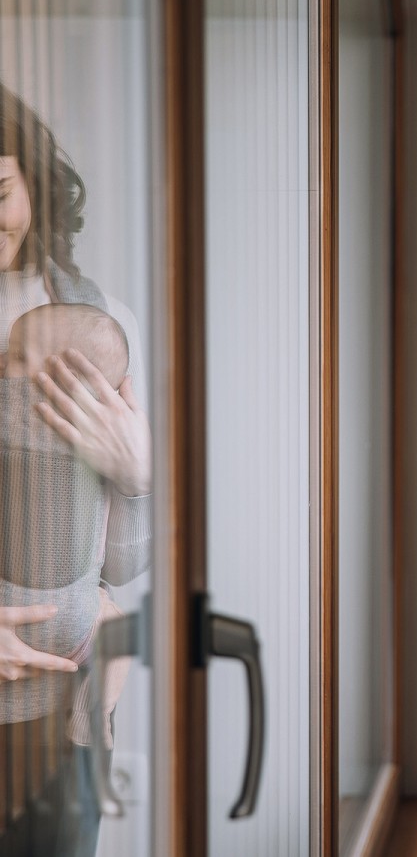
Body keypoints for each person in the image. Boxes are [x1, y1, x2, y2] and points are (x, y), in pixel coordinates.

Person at [0, 82, 151, 856]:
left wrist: (134, 476)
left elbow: (123, 560)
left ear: (31, 180)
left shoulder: (98, 323)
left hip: (59, 685)